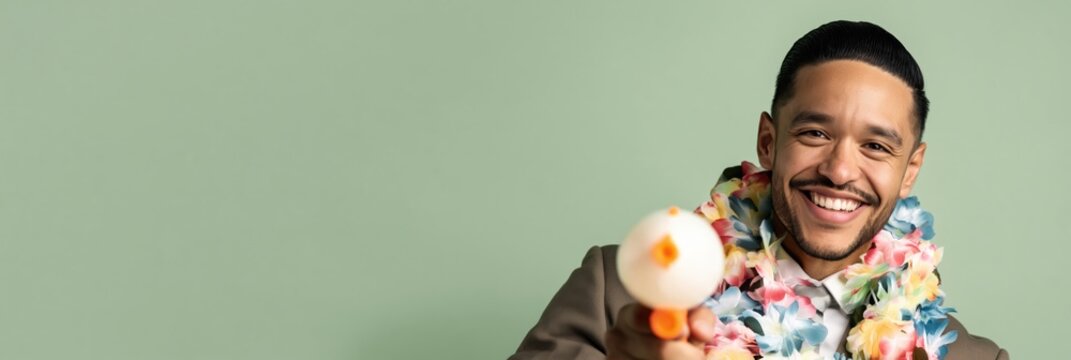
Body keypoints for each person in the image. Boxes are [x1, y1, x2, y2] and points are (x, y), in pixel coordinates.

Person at [510, 21, 1008, 360]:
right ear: (768, 142)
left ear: (910, 169)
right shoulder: (617, 295)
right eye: (815, 133)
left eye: (876, 146)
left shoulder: (969, 357)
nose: (839, 171)